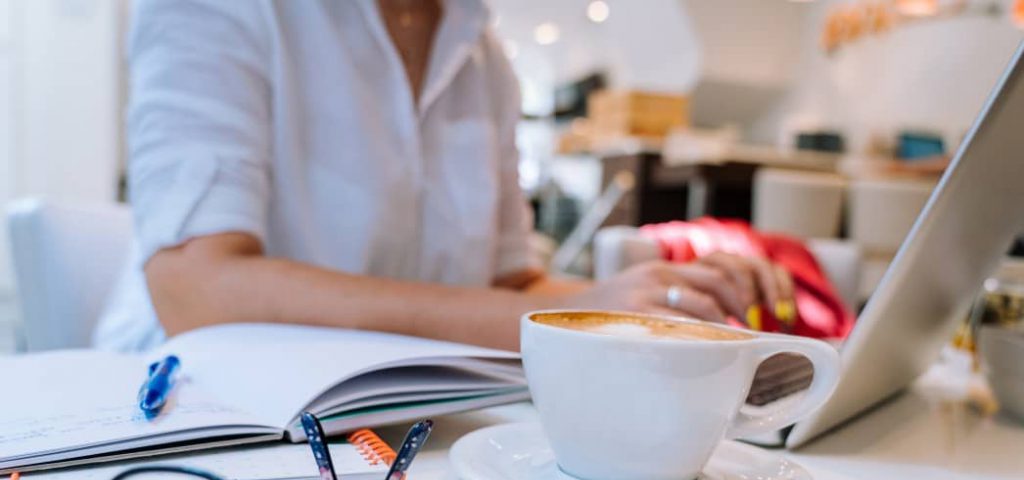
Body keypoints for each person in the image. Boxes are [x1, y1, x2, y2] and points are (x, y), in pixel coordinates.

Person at [95, 0, 794, 352]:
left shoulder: (481, 54)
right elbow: (197, 289)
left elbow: (509, 284)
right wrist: (582, 316)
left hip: (397, 418)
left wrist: (656, 305)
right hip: (198, 427)